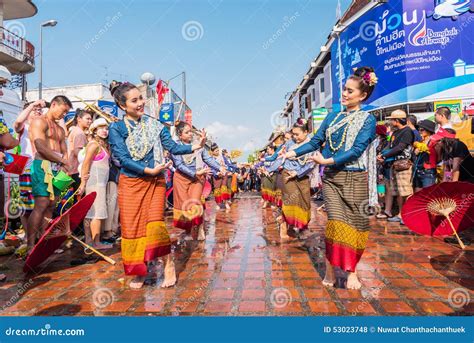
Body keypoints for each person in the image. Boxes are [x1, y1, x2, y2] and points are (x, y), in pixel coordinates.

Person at [283, 66, 377, 290]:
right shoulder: (333, 116)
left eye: (350, 91)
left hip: (355, 179)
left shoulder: (367, 120)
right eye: (344, 89)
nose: (344, 94)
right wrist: (293, 152)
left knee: (357, 226)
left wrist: (327, 161)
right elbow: (315, 142)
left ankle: (352, 270)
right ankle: (330, 269)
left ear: (362, 95)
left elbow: (356, 150)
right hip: (333, 180)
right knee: (335, 225)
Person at [108, 81, 206, 289]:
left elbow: (171, 147)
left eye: (141, 98)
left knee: (155, 225)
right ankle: (139, 270)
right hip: (131, 182)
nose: (141, 103)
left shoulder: (155, 124)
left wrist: (194, 146)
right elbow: (121, 157)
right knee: (132, 228)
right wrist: (146, 170)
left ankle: (168, 263)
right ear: (123, 105)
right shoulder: (116, 128)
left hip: (155, 182)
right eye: (135, 100)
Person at [26, 96, 72, 253]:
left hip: (58, 168)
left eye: (66, 112)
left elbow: (65, 150)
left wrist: (65, 164)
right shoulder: (39, 121)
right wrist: (63, 161)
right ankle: (30, 245)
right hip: (42, 165)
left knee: (52, 204)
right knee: (42, 203)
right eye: (63, 110)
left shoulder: (59, 128)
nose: (64, 114)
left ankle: (43, 240)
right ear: (53, 105)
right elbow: (40, 147)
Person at [170, 121, 222, 241]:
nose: (190, 135)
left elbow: (208, 158)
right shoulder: (175, 146)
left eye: (191, 132)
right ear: (179, 134)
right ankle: (188, 230)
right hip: (181, 179)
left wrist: (220, 167)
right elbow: (179, 164)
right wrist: (194, 173)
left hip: (198, 178)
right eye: (187, 132)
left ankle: (199, 229)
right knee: (184, 207)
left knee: (195, 204)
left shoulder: (198, 145)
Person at [268, 119, 315, 239]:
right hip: (287, 175)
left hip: (303, 175)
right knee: (290, 200)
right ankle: (284, 226)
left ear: (306, 132)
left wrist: (298, 172)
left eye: (297, 134)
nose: (294, 137)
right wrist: (270, 169)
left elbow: (311, 164)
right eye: (293, 134)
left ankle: (303, 227)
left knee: (304, 202)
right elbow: (280, 158)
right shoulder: (289, 143)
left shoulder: (313, 144)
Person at [78, 118, 111, 249]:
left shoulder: (102, 145)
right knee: (96, 213)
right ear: (95, 130)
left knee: (91, 212)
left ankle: (89, 242)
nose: (105, 131)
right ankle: (95, 242)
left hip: (100, 183)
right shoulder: (94, 145)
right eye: (101, 128)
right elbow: (86, 164)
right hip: (95, 183)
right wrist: (82, 183)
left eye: (106, 128)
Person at [13, 100, 46, 231]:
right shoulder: (24, 126)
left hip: (43, 169)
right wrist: (31, 105)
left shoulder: (43, 128)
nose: (39, 111)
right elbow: (17, 123)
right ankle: (28, 238)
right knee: (27, 207)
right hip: (27, 169)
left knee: (43, 205)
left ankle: (41, 238)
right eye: (35, 109)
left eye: (40, 110)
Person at [378, 109, 414, 225]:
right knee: (398, 192)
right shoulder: (395, 132)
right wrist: (382, 155)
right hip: (394, 165)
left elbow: (400, 147)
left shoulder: (407, 131)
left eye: (392, 119)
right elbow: (390, 146)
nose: (390, 122)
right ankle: (400, 214)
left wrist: (384, 155)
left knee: (406, 191)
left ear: (397, 120)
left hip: (403, 165)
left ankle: (407, 215)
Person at [67, 109, 92, 188]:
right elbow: (77, 152)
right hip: (77, 170)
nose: (90, 121)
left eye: (91, 119)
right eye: (87, 119)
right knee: (79, 197)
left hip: (73, 169)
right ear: (79, 119)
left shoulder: (76, 130)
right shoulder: (79, 133)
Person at [413, 120, 437, 191]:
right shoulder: (421, 141)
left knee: (427, 195)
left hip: (428, 171)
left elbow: (432, 151)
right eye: (418, 129)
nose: (419, 131)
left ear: (429, 130)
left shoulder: (434, 141)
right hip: (418, 170)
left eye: (422, 129)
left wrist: (420, 146)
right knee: (418, 195)